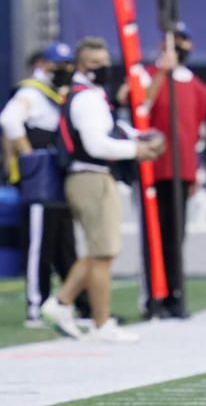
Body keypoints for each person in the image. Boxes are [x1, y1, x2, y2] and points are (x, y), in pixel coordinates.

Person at [39, 37, 165, 342]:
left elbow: (112, 131)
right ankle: (98, 321)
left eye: (105, 61)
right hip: (90, 177)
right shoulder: (85, 98)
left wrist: (142, 136)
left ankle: (63, 303)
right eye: (96, 63)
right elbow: (96, 144)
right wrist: (136, 149)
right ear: (81, 67)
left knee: (101, 252)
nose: (104, 67)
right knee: (103, 252)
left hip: (93, 177)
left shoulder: (92, 95)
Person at [120, 22, 206, 319]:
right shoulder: (147, 75)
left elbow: (194, 133)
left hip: (181, 170)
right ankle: (153, 297)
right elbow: (136, 102)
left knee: (176, 236)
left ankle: (175, 294)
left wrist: (195, 171)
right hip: (152, 169)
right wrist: (161, 71)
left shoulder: (198, 88)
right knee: (153, 237)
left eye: (183, 41)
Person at [0, 41, 92, 326]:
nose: (63, 70)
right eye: (58, 65)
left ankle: (78, 304)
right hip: (42, 174)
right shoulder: (32, 91)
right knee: (39, 242)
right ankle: (35, 306)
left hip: (61, 171)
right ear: (45, 65)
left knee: (65, 242)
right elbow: (9, 120)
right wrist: (28, 156)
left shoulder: (65, 93)